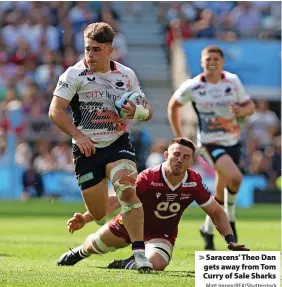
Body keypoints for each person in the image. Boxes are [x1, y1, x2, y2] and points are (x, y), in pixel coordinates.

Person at [49, 22, 153, 272]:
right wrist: (78, 135)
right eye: (87, 49)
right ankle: (87, 217)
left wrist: (137, 112)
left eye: (96, 50)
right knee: (98, 216)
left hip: (117, 143)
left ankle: (139, 254)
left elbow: (147, 111)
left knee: (127, 191)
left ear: (109, 50)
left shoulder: (126, 75)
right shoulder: (73, 75)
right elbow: (55, 111)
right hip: (86, 151)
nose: (90, 55)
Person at [57, 138, 249, 271]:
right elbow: (115, 200)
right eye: (176, 154)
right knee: (93, 246)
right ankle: (79, 252)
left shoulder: (194, 182)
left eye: (185, 157)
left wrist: (229, 239)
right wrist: (85, 217)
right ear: (166, 155)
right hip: (129, 226)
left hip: (161, 234)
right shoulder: (149, 177)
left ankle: (126, 263)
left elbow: (216, 212)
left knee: (156, 264)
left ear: (192, 161)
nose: (179, 160)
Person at [167, 46, 255, 250]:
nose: (212, 62)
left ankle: (207, 229)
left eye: (216, 58)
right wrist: (179, 135)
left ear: (222, 62)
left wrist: (240, 110)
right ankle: (230, 219)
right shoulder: (194, 86)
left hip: (232, 141)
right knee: (236, 177)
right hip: (209, 142)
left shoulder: (232, 81)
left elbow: (250, 107)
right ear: (202, 62)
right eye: (208, 59)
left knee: (223, 181)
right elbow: (173, 106)